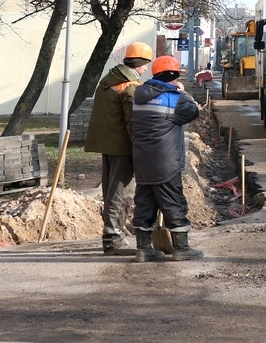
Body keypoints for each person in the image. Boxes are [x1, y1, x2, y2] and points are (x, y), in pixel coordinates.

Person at [131, 55, 203, 262]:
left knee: (144, 204)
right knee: (174, 203)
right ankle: (181, 248)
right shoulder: (175, 99)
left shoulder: (139, 96)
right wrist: (182, 91)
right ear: (172, 76)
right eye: (176, 76)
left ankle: (143, 249)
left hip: (143, 161)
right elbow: (193, 112)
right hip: (166, 162)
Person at [83, 41, 152, 256]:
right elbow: (133, 120)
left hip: (109, 144)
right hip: (123, 147)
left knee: (111, 190)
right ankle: (113, 239)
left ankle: (111, 236)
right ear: (139, 62)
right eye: (146, 64)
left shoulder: (110, 78)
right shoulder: (129, 85)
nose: (146, 68)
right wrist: (141, 148)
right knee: (122, 193)